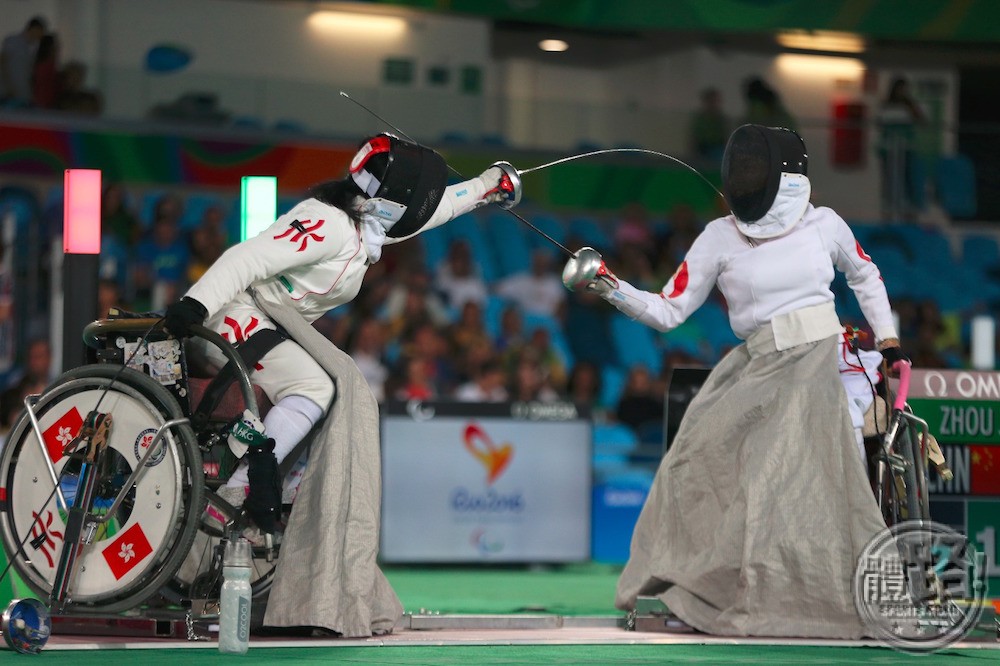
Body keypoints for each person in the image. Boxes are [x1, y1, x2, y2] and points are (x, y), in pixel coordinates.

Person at [162, 132, 518, 636]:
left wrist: (488, 185)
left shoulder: (369, 225)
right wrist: (197, 304)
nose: (417, 207)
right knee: (317, 387)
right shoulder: (327, 222)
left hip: (271, 323)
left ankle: (273, 478)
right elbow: (248, 257)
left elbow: (433, 210)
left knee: (325, 389)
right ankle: (241, 488)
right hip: (233, 313)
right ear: (384, 200)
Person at [562, 124, 906, 638]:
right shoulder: (719, 236)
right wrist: (609, 286)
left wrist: (889, 341)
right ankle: (701, 590)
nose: (745, 180)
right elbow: (667, 310)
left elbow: (864, 275)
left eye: (754, 170)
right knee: (690, 460)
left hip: (821, 361)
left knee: (791, 473)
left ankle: (831, 595)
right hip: (757, 365)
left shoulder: (824, 224)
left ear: (785, 175)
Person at [877, 76, 926, 220]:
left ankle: (908, 213)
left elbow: (922, 121)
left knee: (908, 181)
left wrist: (910, 107)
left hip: (906, 149)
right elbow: (879, 122)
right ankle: (888, 212)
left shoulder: (910, 105)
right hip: (890, 148)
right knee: (889, 181)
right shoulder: (886, 105)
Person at [0, 17, 47, 107]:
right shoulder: (13, 41)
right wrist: (8, 86)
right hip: (8, 91)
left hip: (23, 92)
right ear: (34, 29)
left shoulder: (33, 47)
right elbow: (3, 63)